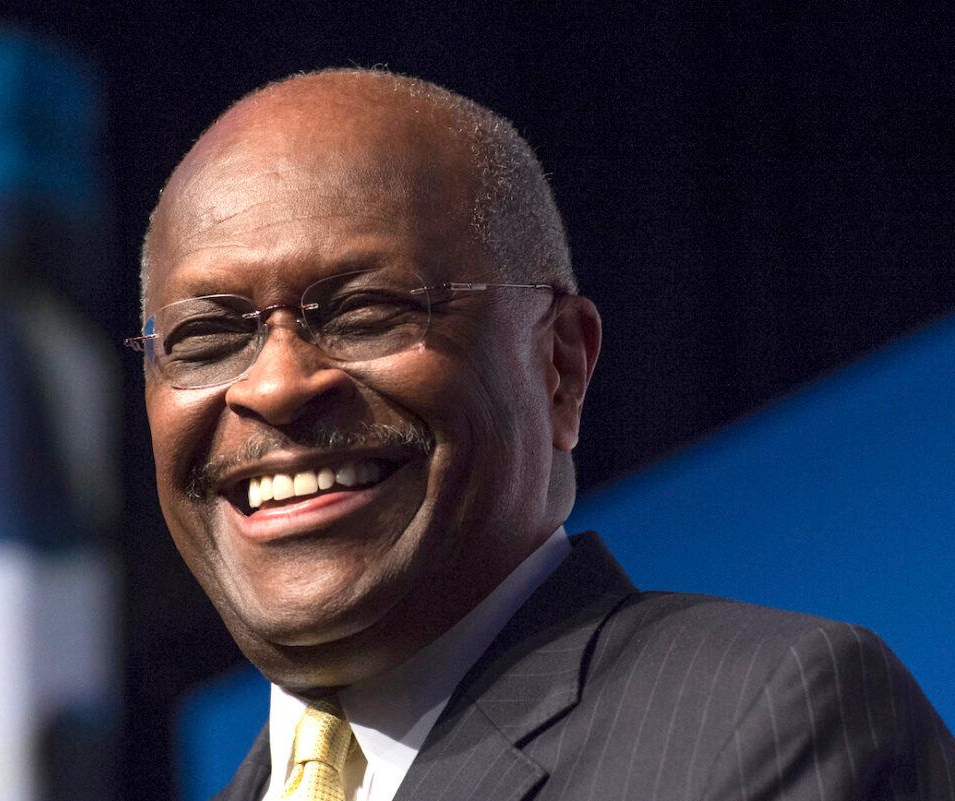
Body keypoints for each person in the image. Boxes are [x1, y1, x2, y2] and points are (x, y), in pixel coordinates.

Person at [130, 69, 954, 800]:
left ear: (559, 367)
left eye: (365, 311)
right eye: (208, 338)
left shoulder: (773, 716)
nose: (276, 385)